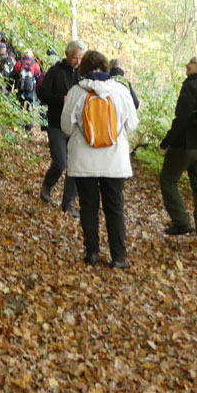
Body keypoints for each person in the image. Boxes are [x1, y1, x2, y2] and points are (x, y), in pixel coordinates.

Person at [61, 50, 139, 267]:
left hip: (83, 161)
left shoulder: (77, 92)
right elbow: (132, 125)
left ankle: (92, 253)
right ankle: (119, 257)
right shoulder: (121, 91)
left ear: (83, 69)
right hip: (114, 161)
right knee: (114, 207)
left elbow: (66, 127)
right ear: (106, 68)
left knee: (88, 206)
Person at [159, 54, 197, 252]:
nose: (187, 65)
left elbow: (182, 118)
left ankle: (182, 221)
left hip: (185, 145)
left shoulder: (191, 86)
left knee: (168, 180)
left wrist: (167, 141)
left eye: (191, 63)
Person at [37, 40, 86, 218]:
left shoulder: (83, 75)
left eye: (81, 58)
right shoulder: (55, 71)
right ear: (67, 55)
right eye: (75, 58)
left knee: (75, 165)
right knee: (60, 162)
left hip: (77, 127)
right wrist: (61, 99)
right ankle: (48, 185)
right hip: (57, 124)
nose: (78, 62)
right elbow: (41, 93)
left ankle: (68, 202)